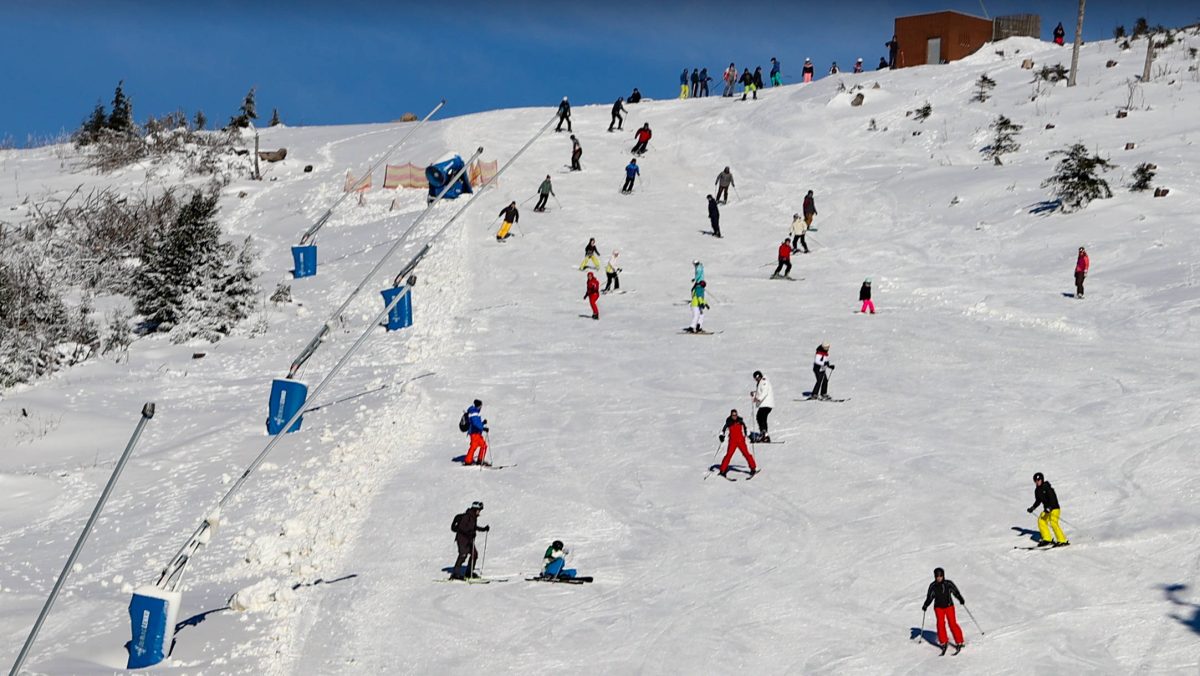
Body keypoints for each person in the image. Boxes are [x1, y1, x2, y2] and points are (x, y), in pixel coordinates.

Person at [922, 568, 966, 654]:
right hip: (938, 607)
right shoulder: (933, 586)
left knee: (952, 623)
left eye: (940, 576)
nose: (939, 578)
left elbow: (955, 592)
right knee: (940, 624)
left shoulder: (948, 584)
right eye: (937, 576)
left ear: (943, 576)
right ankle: (943, 641)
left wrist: (960, 598)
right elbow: (930, 597)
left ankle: (959, 641)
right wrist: (926, 605)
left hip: (949, 606)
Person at [1027, 472, 1070, 547]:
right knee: (1041, 520)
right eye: (1036, 481)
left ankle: (1062, 540)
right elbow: (1038, 501)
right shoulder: (1037, 490)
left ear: (1042, 480)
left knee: (1053, 522)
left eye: (1039, 480)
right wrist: (1032, 508)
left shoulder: (1047, 488)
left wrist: (1050, 507)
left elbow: (1053, 499)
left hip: (1054, 508)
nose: (1037, 482)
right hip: (1047, 509)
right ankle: (1047, 538)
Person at [450, 501, 490, 579]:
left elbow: (474, 527)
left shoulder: (473, 517)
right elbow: (462, 528)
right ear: (475, 509)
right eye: (479, 510)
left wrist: (484, 529)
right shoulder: (467, 516)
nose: (479, 512)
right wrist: (470, 533)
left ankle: (469, 572)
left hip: (469, 539)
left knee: (474, 554)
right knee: (463, 555)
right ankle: (455, 574)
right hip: (462, 539)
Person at [718, 409, 757, 478]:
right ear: (731, 415)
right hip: (732, 441)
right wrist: (721, 436)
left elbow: (746, 429)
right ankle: (722, 470)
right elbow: (723, 431)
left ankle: (753, 468)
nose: (734, 416)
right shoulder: (728, 422)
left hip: (741, 441)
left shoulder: (740, 421)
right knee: (728, 455)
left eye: (735, 415)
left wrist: (750, 436)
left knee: (746, 454)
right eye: (733, 415)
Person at [463, 399, 489, 465]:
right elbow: (475, 423)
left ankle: (480, 460)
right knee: (474, 447)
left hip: (477, 433)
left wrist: (483, 423)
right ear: (479, 406)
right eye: (481, 406)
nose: (481, 407)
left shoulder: (474, 412)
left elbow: (477, 423)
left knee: (483, 446)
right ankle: (468, 461)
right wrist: (483, 428)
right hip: (474, 433)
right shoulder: (474, 413)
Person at [751, 371, 775, 442]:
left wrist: (758, 398)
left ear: (760, 376)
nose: (756, 379)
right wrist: (754, 394)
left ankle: (764, 434)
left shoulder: (764, 381)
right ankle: (763, 433)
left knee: (761, 417)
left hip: (766, 404)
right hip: (764, 404)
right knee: (760, 417)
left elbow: (764, 392)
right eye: (755, 378)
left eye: (757, 378)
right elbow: (760, 392)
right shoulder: (760, 382)